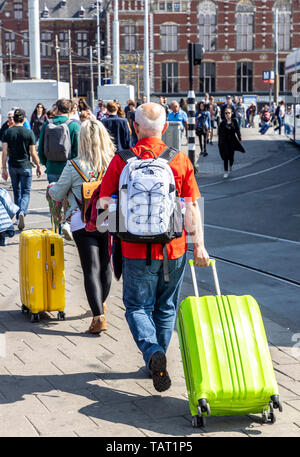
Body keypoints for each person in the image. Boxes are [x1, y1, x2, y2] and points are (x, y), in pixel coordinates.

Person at [99, 102, 210, 392]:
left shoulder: (122, 160)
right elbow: (191, 207)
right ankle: (157, 357)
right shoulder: (179, 160)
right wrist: (198, 245)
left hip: (135, 250)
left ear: (134, 127)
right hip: (173, 249)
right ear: (165, 126)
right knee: (166, 307)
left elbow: (103, 203)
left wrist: (105, 233)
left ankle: (151, 354)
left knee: (137, 307)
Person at [48, 119, 116, 334]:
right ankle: (101, 304)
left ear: (83, 141)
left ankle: (98, 317)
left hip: (83, 221)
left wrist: (51, 189)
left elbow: (57, 194)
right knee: (106, 266)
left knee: (90, 269)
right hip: (110, 219)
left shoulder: (74, 165)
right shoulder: (114, 162)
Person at [38, 98, 81, 240]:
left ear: (57, 109)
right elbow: (77, 150)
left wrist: (46, 163)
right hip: (68, 168)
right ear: (70, 110)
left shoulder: (47, 124)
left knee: (54, 199)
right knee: (69, 199)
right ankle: (68, 225)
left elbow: (41, 147)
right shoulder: (74, 125)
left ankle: (56, 231)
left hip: (52, 167)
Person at [1, 109, 42, 230]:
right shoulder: (28, 133)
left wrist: (4, 168)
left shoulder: (8, 132)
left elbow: (4, 152)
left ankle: (19, 216)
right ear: (24, 119)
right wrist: (38, 165)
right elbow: (33, 152)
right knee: (26, 192)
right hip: (25, 166)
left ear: (14, 118)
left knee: (16, 191)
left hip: (13, 166)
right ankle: (22, 212)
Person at [218, 105, 245, 179]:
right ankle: (226, 171)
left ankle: (231, 165)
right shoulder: (222, 123)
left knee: (231, 157)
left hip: (232, 141)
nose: (227, 114)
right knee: (226, 156)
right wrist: (220, 142)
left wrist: (240, 138)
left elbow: (237, 131)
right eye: (226, 113)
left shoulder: (234, 121)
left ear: (231, 113)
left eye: (228, 113)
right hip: (225, 141)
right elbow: (219, 133)